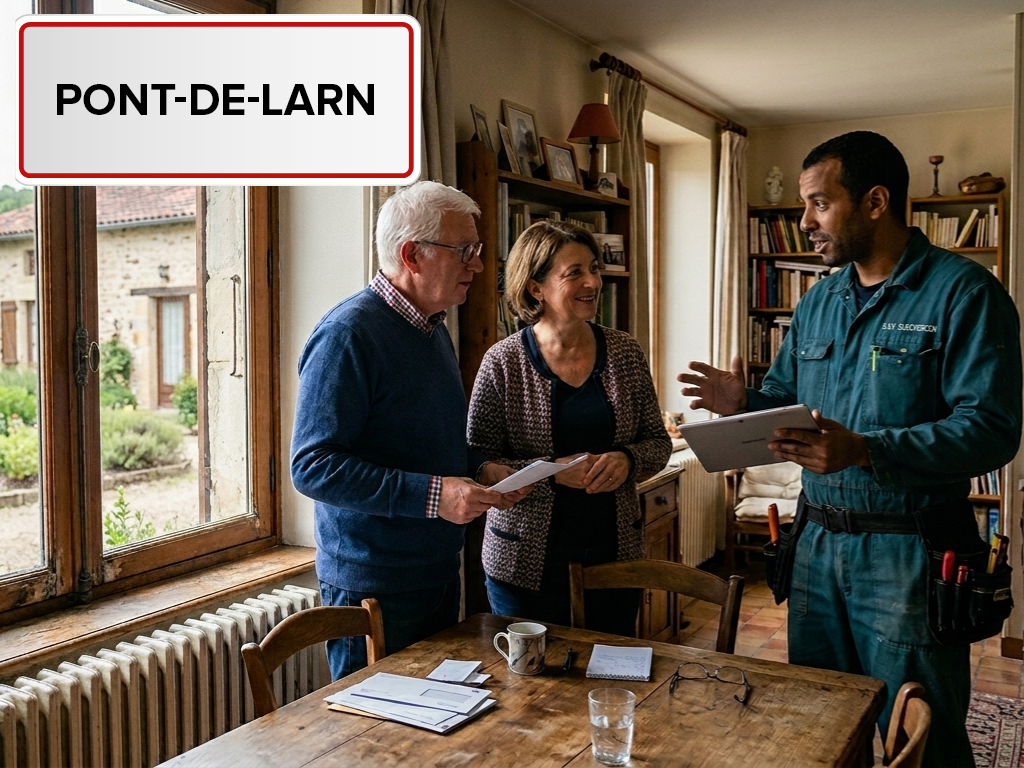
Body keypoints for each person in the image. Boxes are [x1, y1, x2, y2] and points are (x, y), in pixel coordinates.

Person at [678, 131, 1022, 767]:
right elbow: (784, 404)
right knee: (819, 724)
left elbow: (993, 430)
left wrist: (865, 450)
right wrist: (743, 401)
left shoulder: (964, 294)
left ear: (874, 201)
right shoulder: (818, 304)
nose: (804, 222)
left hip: (908, 555)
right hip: (814, 552)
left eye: (818, 203)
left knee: (923, 734)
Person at [291, 181, 527, 680]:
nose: (479, 265)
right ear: (411, 255)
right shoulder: (348, 334)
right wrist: (435, 495)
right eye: (464, 251)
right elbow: (313, 467)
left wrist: (478, 469)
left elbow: (418, 441)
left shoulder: (431, 327)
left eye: (477, 251)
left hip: (435, 570)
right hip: (373, 585)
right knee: (375, 747)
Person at [468, 220, 671, 636]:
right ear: (535, 287)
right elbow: (477, 460)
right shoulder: (502, 362)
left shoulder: (625, 352)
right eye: (574, 272)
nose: (592, 281)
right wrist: (554, 473)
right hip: (523, 564)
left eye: (593, 268)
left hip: (615, 556)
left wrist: (627, 459)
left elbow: (658, 442)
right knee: (529, 692)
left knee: (611, 675)